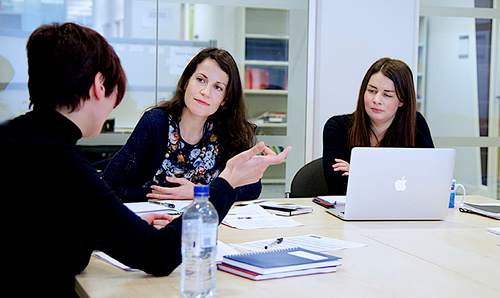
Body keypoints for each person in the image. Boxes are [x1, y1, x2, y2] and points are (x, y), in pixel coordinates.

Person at [0, 22, 289, 296]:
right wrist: (224, 183)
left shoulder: (15, 139)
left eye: (217, 87)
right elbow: (157, 255)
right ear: (100, 86)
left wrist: (117, 225)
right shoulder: (67, 165)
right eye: (201, 80)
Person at [102, 47, 261, 202]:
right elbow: (111, 184)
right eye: (200, 80)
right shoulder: (156, 122)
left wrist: (199, 192)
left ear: (224, 100)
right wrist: (166, 195)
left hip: (210, 222)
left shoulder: (228, 131)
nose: (205, 92)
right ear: (186, 82)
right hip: (156, 221)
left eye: (217, 87)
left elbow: (252, 187)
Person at [322, 57, 434, 195]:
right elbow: (338, 187)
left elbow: (428, 180)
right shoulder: (337, 127)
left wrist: (360, 173)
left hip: (403, 211)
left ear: (402, 101)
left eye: (387, 95)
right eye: (372, 91)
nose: (376, 100)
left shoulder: (415, 124)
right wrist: (392, 176)